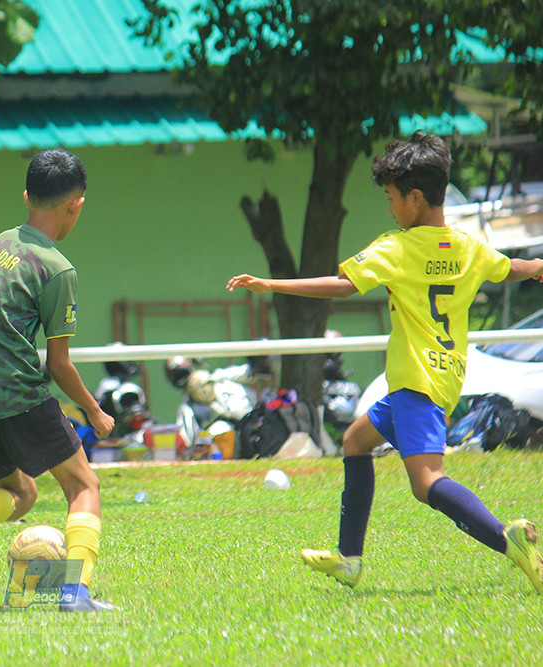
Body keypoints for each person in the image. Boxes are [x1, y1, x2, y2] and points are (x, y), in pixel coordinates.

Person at [227, 130, 543, 594]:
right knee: (355, 441)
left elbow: (343, 285)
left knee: (426, 482)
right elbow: (507, 266)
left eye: (392, 197)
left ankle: (506, 538)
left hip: (416, 381)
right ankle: (349, 560)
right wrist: (536, 267)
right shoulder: (468, 247)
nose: (390, 207)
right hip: (440, 375)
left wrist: (273, 285)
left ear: (415, 198)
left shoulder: (396, 247)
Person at [0, 148, 117, 612]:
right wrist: (94, 412)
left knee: (23, 492)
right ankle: (75, 594)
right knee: (84, 487)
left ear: (26, 196)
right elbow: (58, 365)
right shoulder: (56, 268)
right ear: (76, 204)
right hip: (17, 392)